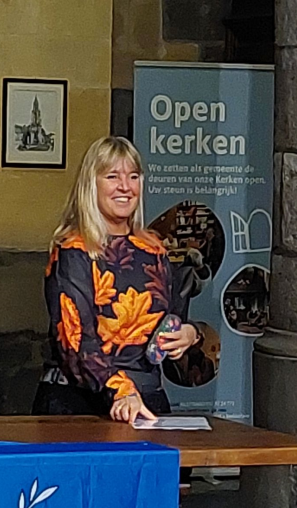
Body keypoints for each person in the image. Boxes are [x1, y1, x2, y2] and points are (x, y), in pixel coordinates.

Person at [33, 136, 201, 424]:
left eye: (133, 176)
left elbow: (172, 319)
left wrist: (189, 333)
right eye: (112, 176)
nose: (125, 186)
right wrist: (121, 390)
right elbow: (75, 342)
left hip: (146, 400)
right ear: (92, 184)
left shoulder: (154, 249)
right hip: (80, 404)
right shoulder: (74, 250)